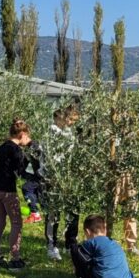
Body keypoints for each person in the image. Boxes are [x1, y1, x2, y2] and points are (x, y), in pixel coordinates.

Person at [0, 120, 31, 270]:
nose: (28, 140)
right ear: (22, 134)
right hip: (7, 190)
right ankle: (15, 258)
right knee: (17, 223)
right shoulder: (16, 150)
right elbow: (21, 172)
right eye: (27, 137)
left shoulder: (2, 147)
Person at [44, 105, 80, 262]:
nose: (72, 123)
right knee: (54, 212)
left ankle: (70, 244)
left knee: (73, 211)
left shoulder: (69, 133)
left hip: (69, 178)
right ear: (63, 117)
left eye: (74, 120)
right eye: (71, 119)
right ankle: (52, 246)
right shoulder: (52, 132)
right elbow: (48, 156)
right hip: (55, 178)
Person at [71, 215, 135, 278]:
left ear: (87, 232)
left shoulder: (91, 242)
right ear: (105, 230)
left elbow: (82, 259)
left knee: (76, 250)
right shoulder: (115, 243)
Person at [20, 138, 46, 224]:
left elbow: (38, 161)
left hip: (40, 175)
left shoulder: (34, 146)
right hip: (37, 175)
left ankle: (35, 213)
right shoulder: (31, 146)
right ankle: (36, 213)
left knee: (26, 188)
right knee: (35, 193)